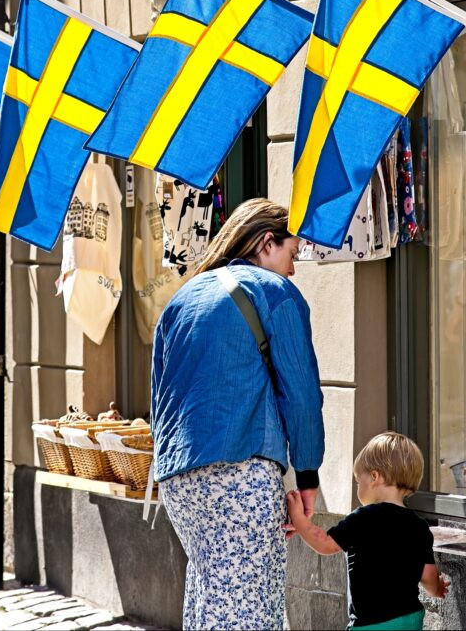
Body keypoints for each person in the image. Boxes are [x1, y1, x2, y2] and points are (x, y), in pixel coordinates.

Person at [151, 198, 324, 630]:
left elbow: (159, 397)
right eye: (292, 253)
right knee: (250, 612)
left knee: (212, 603)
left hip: (179, 480)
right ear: (267, 243)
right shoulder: (274, 292)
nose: (293, 268)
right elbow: (301, 395)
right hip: (240, 472)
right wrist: (307, 477)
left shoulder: (181, 300)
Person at [285, 432, 448, 631]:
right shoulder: (419, 525)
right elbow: (429, 578)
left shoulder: (363, 518)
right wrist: (438, 589)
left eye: (357, 481)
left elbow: (325, 543)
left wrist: (299, 519)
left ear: (374, 477)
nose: (357, 486)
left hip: (372, 624)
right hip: (409, 620)